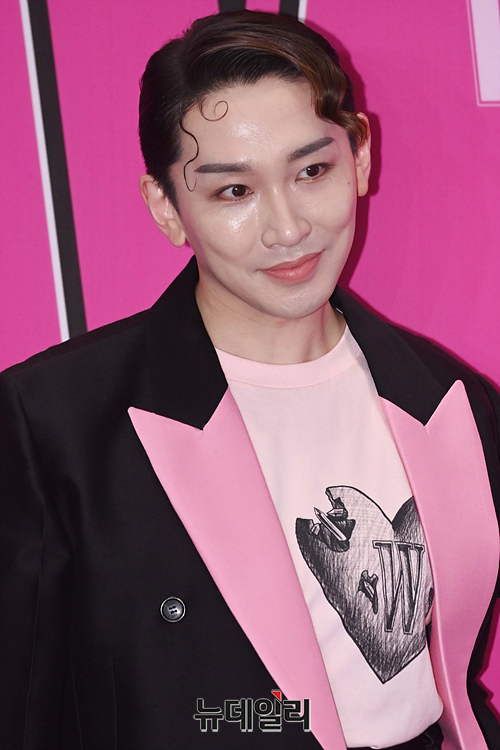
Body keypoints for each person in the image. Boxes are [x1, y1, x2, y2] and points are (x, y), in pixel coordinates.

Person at [0, 10, 499, 750]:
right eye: (233, 191)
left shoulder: (451, 400)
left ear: (360, 156)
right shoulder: (55, 424)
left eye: (312, 171)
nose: (287, 228)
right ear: (167, 207)